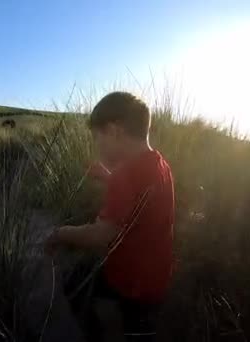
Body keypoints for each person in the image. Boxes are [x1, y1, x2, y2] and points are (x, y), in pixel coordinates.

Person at [46, 91, 175, 341]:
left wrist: (60, 233)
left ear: (114, 131)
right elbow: (141, 195)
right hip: (157, 276)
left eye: (98, 137)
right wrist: (108, 176)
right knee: (140, 328)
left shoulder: (126, 175)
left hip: (131, 280)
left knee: (74, 283)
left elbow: (100, 234)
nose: (97, 145)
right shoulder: (159, 164)